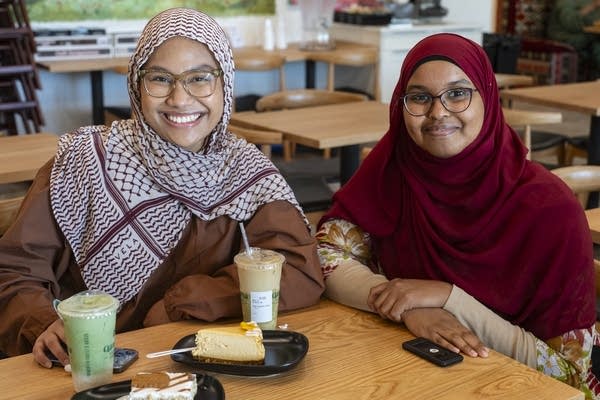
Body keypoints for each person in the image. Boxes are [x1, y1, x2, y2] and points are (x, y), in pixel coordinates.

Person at [0, 8, 324, 367]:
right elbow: (15, 270)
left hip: (196, 368)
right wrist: (43, 324)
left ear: (226, 83)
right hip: (84, 366)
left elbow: (297, 269)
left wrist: (183, 302)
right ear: (137, 85)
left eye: (200, 78)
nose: (180, 99)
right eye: (160, 79)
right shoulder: (85, 161)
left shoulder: (247, 175)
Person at [316, 33, 599, 397]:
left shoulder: (549, 209)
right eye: (419, 97)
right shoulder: (391, 173)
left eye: (458, 93)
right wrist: (408, 307)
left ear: (488, 98)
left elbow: (568, 375)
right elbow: (324, 256)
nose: (437, 112)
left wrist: (448, 299)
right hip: (408, 378)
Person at [546, 0, 600, 80]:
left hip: (588, 35)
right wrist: (592, 6)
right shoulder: (565, 2)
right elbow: (571, 24)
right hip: (566, 37)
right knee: (597, 45)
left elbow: (594, 21)